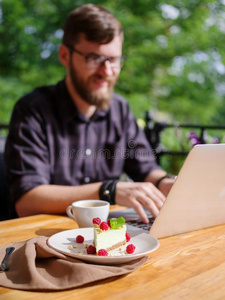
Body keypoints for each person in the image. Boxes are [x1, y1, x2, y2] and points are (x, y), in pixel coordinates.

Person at [4, 3, 175, 222]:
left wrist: (167, 182)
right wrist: (108, 191)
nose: (106, 72)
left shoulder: (120, 109)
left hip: (105, 240)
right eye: (94, 58)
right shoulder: (33, 110)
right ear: (65, 55)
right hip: (44, 240)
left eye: (113, 60)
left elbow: (146, 168)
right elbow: (27, 201)